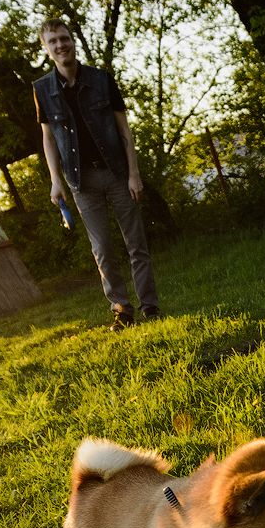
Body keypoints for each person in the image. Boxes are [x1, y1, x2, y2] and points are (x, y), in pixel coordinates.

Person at [33, 18, 158, 331]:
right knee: (101, 249)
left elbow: (124, 130)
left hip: (117, 174)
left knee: (136, 244)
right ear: (46, 50)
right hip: (80, 182)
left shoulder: (102, 80)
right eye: (53, 41)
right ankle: (121, 309)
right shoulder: (42, 90)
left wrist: (134, 174)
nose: (60, 45)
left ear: (73, 41)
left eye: (64, 38)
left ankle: (150, 307)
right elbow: (48, 139)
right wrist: (55, 180)